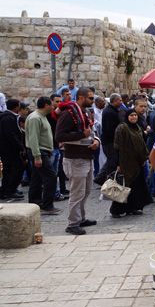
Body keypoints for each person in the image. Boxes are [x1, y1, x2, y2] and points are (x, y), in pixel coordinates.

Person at [55, 88, 100, 235]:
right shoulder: (68, 114)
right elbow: (60, 136)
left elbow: (92, 132)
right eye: (91, 98)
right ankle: (72, 223)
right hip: (75, 158)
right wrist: (82, 134)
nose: (93, 101)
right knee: (77, 192)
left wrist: (96, 141)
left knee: (86, 191)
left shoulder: (85, 113)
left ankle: (81, 218)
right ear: (81, 98)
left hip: (87, 156)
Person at [110, 109, 152, 218]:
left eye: (135, 115)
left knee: (135, 186)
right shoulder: (122, 128)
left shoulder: (137, 127)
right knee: (123, 186)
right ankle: (116, 209)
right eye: (131, 115)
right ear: (127, 116)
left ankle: (132, 207)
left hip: (136, 162)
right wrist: (118, 164)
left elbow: (141, 144)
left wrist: (142, 158)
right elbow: (117, 146)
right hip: (125, 161)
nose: (134, 117)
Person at [25, 96, 60, 214]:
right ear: (46, 105)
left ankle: (35, 203)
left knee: (37, 178)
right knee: (51, 177)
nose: (53, 107)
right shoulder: (35, 118)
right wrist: (37, 156)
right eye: (51, 105)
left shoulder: (41, 117)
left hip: (42, 150)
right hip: (38, 151)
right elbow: (33, 138)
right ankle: (47, 204)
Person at [0, 99, 28, 199]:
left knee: (8, 169)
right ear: (16, 107)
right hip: (9, 149)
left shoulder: (9, 117)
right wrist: (20, 147)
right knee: (19, 167)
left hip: (7, 148)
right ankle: (10, 190)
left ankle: (5, 190)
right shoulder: (9, 118)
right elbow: (10, 134)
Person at [94, 93, 122, 185]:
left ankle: (100, 178)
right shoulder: (110, 112)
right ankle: (106, 180)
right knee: (112, 161)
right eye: (120, 100)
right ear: (114, 101)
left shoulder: (111, 110)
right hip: (110, 141)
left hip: (110, 140)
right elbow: (111, 129)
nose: (121, 102)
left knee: (111, 160)